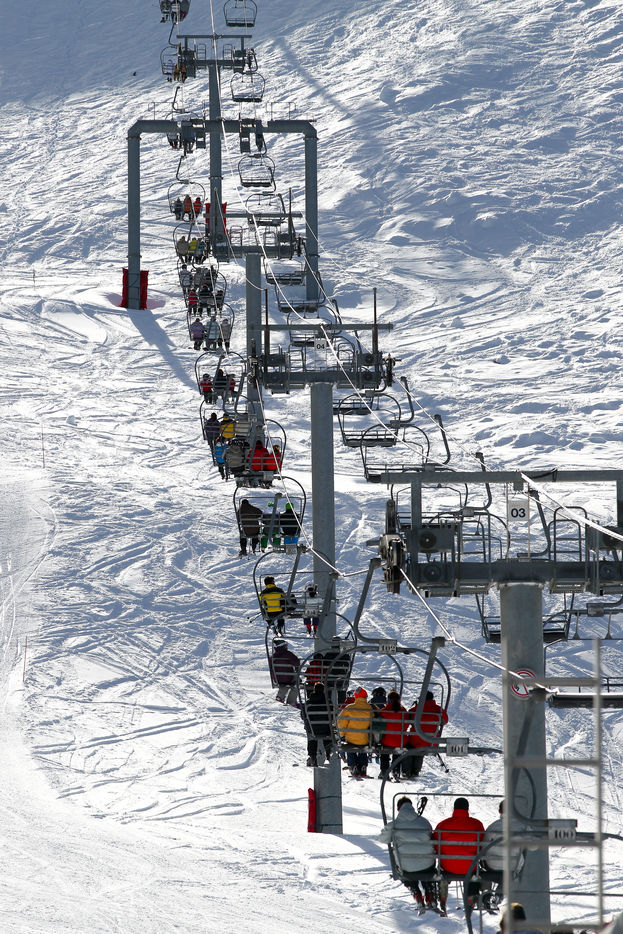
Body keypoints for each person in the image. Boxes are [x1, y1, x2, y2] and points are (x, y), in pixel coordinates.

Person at [379, 796, 436, 911]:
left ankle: (416, 893)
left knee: (406, 870)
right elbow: (431, 836)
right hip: (427, 864)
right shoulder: (424, 822)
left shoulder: (394, 825)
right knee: (426, 868)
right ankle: (430, 894)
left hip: (406, 866)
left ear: (398, 809)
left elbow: (382, 839)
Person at [433, 797, 485, 917]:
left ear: (454, 809)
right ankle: (470, 897)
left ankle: (442, 896)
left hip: (448, 866)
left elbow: (435, 845)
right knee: (474, 870)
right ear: (467, 809)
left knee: (442, 869)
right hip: (470, 867)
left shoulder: (443, 824)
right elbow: (483, 845)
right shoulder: (476, 824)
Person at [403, 690, 449, 779]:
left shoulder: (415, 709)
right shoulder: (438, 709)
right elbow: (444, 721)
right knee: (421, 748)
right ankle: (416, 770)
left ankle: (407, 770)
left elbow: (407, 719)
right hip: (431, 741)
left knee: (408, 745)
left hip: (415, 740)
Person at [337, 687, 373, 777]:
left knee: (350, 749)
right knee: (363, 748)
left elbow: (341, 723)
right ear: (365, 697)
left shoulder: (349, 708)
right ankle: (363, 766)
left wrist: (342, 734)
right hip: (365, 739)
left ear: (355, 697)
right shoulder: (370, 709)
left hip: (351, 739)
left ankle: (353, 766)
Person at [378, 690, 411, 780]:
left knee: (384, 753)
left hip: (386, 740)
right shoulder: (403, 711)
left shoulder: (383, 711)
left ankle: (384, 771)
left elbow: (379, 726)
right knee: (398, 751)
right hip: (400, 741)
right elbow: (406, 725)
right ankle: (396, 770)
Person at [301, 680, 332, 767]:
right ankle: (328, 752)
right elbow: (332, 714)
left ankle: (313, 757)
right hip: (326, 729)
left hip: (312, 729)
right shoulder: (328, 702)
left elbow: (303, 716)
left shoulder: (308, 702)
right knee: (329, 731)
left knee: (311, 737)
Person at [269, 639, 300, 707]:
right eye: (286, 645)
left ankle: (280, 696)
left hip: (277, 678)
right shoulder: (288, 654)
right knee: (297, 682)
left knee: (284, 683)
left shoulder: (273, 656)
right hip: (288, 677)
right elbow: (296, 663)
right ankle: (291, 701)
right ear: (283, 646)